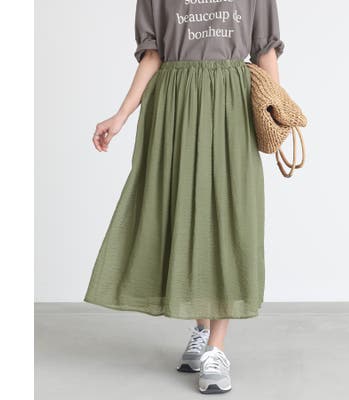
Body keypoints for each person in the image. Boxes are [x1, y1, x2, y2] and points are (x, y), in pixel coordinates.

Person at [84, 0, 284, 394]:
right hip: (173, 104)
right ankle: (201, 330)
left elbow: (265, 50)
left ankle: (216, 349)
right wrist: (121, 115)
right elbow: (153, 55)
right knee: (182, 212)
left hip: (230, 103)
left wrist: (275, 109)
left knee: (228, 215)